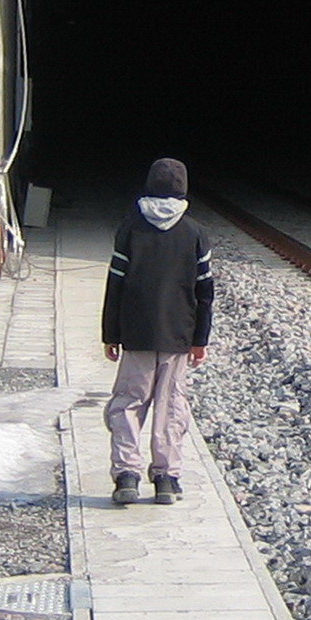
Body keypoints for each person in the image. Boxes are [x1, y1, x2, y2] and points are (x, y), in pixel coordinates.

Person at [101, 157, 214, 506]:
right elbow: (204, 293)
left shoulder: (130, 227)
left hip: (136, 332)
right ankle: (166, 477)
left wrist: (110, 333)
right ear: (182, 190)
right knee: (171, 405)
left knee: (128, 404)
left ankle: (127, 476)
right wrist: (200, 340)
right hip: (179, 334)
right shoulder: (195, 232)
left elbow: (115, 283)